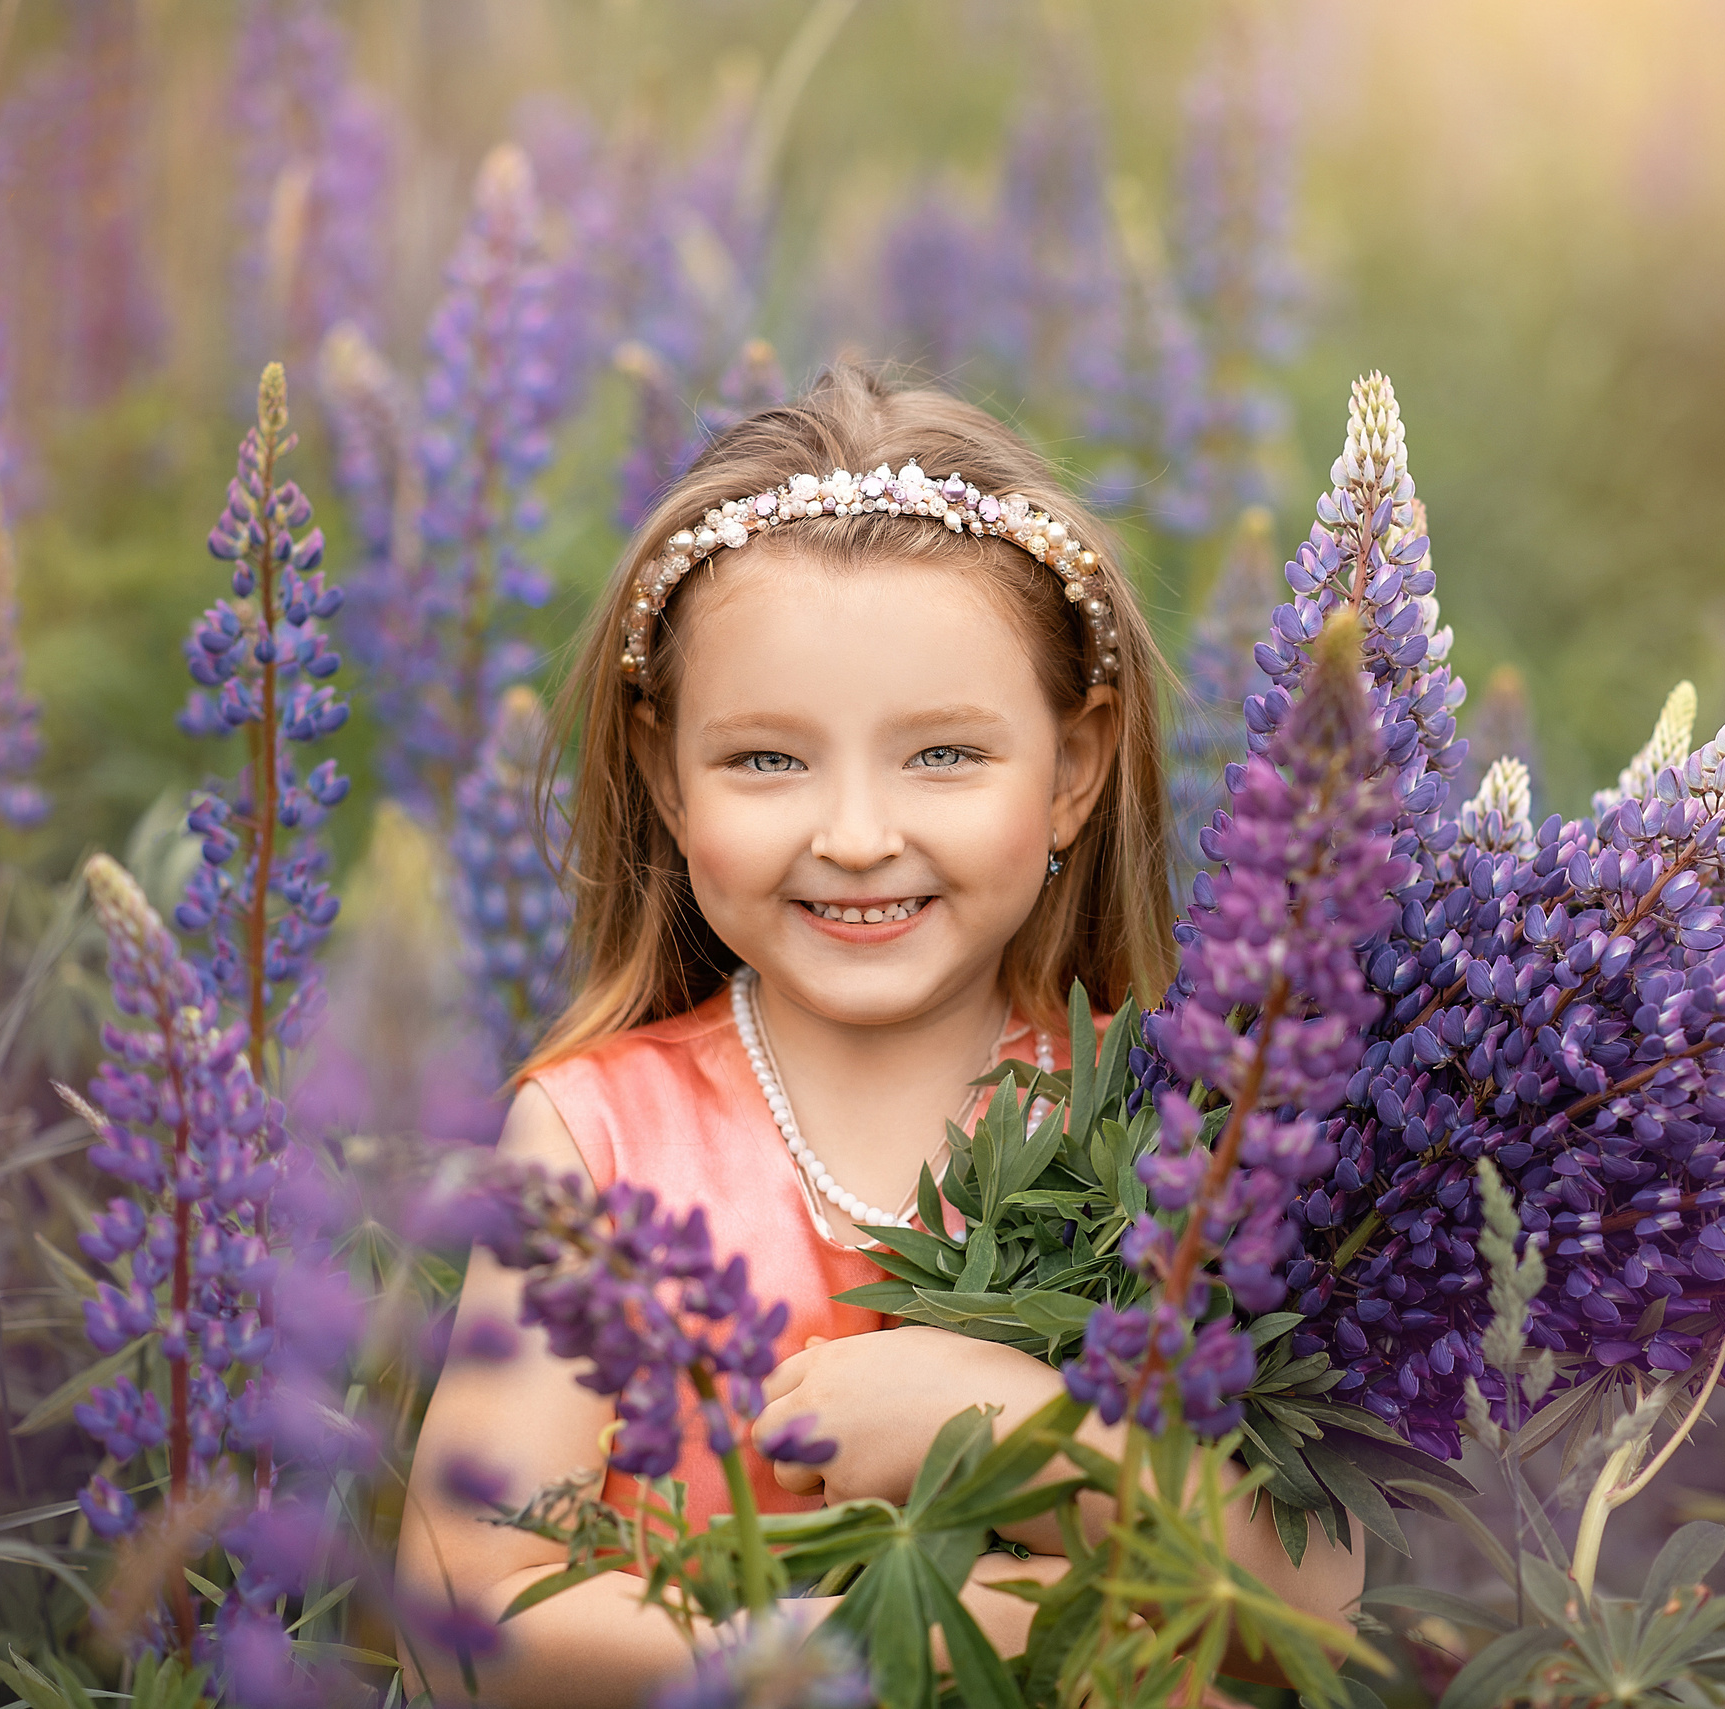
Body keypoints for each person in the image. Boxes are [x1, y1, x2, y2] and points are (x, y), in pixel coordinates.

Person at [399, 363, 1363, 1705]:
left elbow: (1317, 1613)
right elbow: (473, 1601)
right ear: (666, 772)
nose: (855, 835)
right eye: (768, 760)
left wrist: (1013, 1420)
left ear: (1075, 768)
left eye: (943, 755)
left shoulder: (1180, 1126)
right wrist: (892, 1640)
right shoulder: (594, 1137)